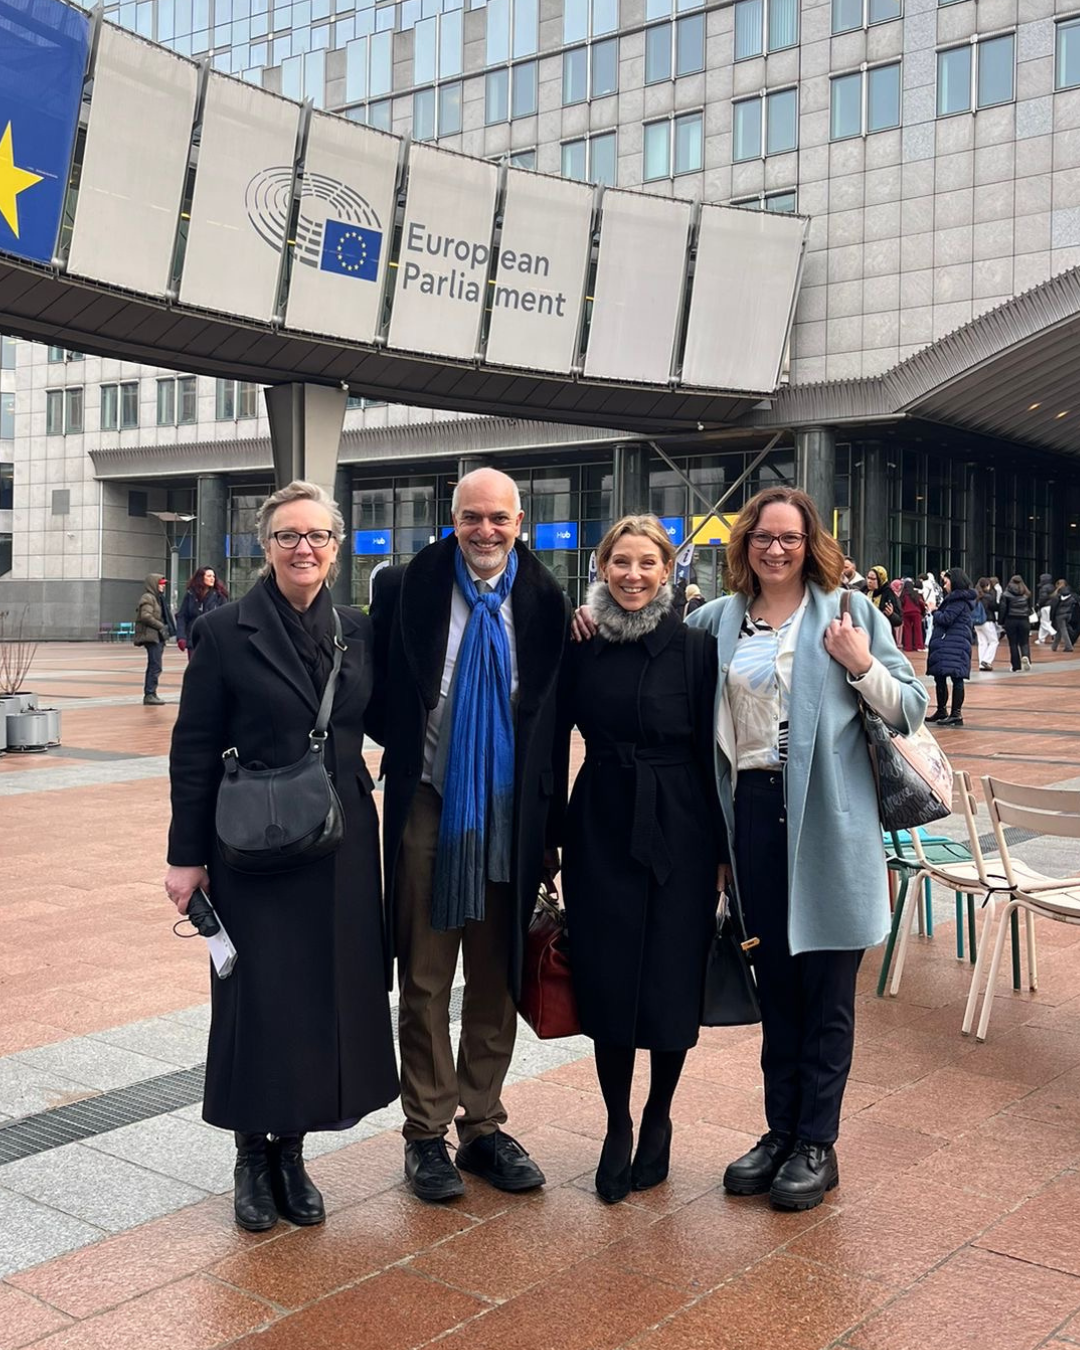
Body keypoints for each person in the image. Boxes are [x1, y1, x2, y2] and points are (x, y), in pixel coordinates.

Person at [164, 480, 398, 1232]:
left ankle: (291, 1152)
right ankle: (249, 1154)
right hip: (252, 842)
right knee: (257, 996)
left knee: (323, 992)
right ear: (265, 547)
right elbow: (194, 749)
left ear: (336, 546)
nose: (304, 549)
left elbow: (397, 709)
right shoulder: (228, 631)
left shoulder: (356, 628)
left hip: (340, 839)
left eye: (318, 536)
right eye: (288, 536)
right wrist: (185, 857)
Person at [685, 488, 927, 1210]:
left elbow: (910, 707)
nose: (776, 548)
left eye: (789, 537)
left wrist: (860, 663)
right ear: (745, 544)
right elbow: (660, 667)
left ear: (809, 541)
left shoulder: (850, 615)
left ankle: (817, 1142)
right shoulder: (714, 621)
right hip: (752, 813)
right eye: (763, 536)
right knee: (777, 984)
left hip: (828, 817)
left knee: (826, 991)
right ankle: (780, 1131)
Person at [367, 467, 569, 1204]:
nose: (485, 532)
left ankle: (481, 1126)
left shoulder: (547, 603)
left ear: (522, 522)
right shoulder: (405, 589)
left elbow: (555, 727)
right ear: (451, 518)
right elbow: (372, 689)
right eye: (472, 518)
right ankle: (426, 1133)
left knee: (497, 974)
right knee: (423, 977)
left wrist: (551, 832)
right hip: (429, 803)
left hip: (512, 813)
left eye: (500, 519)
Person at [550, 516, 724, 1204]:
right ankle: (617, 1120)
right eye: (620, 562)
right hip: (601, 819)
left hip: (681, 824)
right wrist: (550, 835)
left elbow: (716, 757)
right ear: (601, 568)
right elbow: (550, 739)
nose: (633, 575)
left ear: (668, 571)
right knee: (611, 974)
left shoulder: (697, 649)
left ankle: (660, 1112)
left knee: (671, 976)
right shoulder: (581, 646)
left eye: (646, 563)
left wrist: (723, 854)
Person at [925, 568, 976, 727]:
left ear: (954, 582)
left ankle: (956, 714)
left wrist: (934, 611)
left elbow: (947, 619)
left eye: (946, 582)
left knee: (956, 677)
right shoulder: (954, 599)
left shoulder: (958, 600)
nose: (944, 585)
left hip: (955, 643)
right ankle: (942, 710)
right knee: (940, 676)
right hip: (948, 643)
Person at [134, 573, 176, 706]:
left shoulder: (158, 599)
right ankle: (150, 694)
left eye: (163, 584)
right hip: (151, 636)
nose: (163, 586)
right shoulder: (148, 598)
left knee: (155, 665)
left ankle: (151, 693)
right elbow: (145, 616)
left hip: (157, 636)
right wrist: (161, 626)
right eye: (160, 584)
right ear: (153, 584)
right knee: (155, 665)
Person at [176, 567, 230, 659]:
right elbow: (182, 616)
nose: (212, 578)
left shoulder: (219, 596)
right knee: (195, 669)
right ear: (201, 578)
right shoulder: (191, 595)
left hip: (212, 639)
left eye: (213, 576)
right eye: (209, 576)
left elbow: (226, 618)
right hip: (194, 638)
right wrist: (181, 637)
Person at [999, 575, 1033, 671]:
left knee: (1013, 643)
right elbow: (1029, 608)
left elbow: (1003, 608)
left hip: (1011, 619)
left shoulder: (1006, 594)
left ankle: (1016, 665)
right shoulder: (1026, 594)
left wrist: (1001, 621)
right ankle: (1026, 657)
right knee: (1024, 642)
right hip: (1024, 619)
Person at [865, 566, 901, 635]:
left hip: (882, 634)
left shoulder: (888, 595)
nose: (869, 581)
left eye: (873, 579)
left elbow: (899, 621)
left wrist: (891, 615)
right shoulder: (864, 592)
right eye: (868, 578)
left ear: (880, 580)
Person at [974, 578, 1000, 671]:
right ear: (986, 586)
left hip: (976, 622)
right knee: (994, 641)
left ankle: (982, 663)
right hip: (987, 621)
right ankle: (986, 660)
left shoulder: (975, 596)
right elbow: (994, 607)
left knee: (982, 642)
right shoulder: (988, 597)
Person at [899, 578, 926, 652]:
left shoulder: (903, 595)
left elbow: (901, 604)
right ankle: (919, 646)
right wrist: (923, 611)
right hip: (916, 612)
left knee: (907, 629)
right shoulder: (915, 594)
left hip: (906, 613)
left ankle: (908, 647)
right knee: (918, 629)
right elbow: (921, 604)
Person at [1050, 580, 1076, 653]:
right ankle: (1054, 646)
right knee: (1060, 630)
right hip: (1068, 614)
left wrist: (1051, 616)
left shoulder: (1058, 594)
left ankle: (1068, 646)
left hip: (1060, 614)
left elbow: (1054, 605)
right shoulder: (1071, 593)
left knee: (1063, 630)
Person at [1036, 573, 1056, 644]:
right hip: (1051, 606)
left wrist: (1038, 603)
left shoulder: (1043, 588)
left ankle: (1053, 632)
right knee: (1045, 622)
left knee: (1044, 622)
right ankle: (1041, 638)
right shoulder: (1052, 587)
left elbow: (1043, 598)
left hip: (1045, 606)